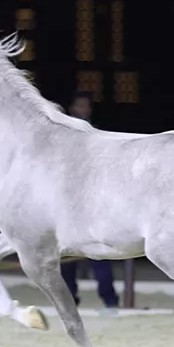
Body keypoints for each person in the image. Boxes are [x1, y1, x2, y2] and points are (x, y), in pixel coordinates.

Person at [61, 91, 121, 309]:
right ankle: (70, 301)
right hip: (69, 205)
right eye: (79, 106)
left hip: (95, 205)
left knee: (100, 254)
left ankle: (110, 301)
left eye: (86, 106)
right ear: (71, 108)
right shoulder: (62, 136)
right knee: (67, 257)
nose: (83, 110)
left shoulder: (98, 135)